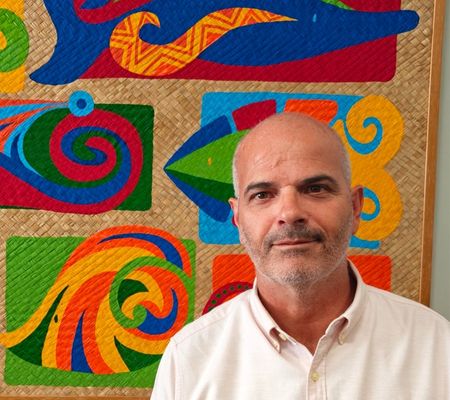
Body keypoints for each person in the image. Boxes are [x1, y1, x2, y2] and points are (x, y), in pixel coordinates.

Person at [151, 112, 450, 399]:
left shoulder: (437, 347)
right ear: (238, 218)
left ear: (355, 208)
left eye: (315, 188)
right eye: (263, 195)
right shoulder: (189, 360)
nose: (290, 212)